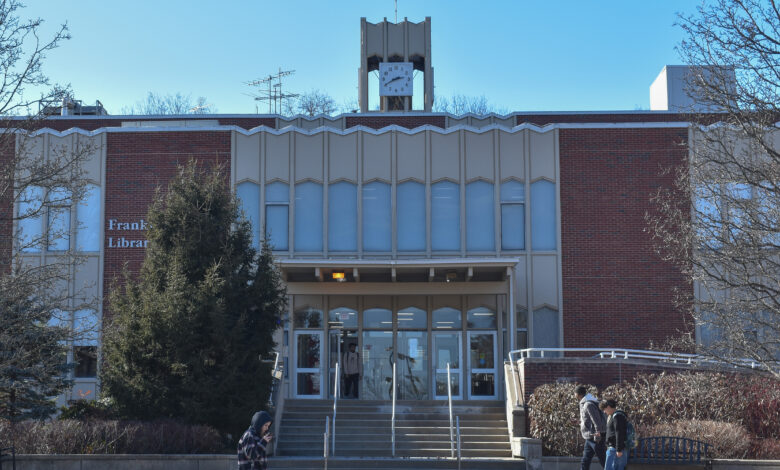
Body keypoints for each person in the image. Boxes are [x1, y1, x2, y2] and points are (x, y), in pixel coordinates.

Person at [575, 385, 606, 470]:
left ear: (578, 394)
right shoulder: (587, 402)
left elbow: (595, 419)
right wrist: (580, 422)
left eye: (575, 393)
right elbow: (588, 420)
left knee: (603, 460)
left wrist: (598, 431)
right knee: (585, 460)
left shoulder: (588, 404)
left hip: (595, 436)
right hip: (589, 437)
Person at [600, 398, 628, 470]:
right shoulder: (612, 416)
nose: (604, 412)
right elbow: (612, 432)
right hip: (614, 448)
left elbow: (619, 433)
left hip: (615, 449)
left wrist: (619, 450)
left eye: (604, 409)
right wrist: (601, 434)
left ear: (608, 407)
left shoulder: (617, 416)